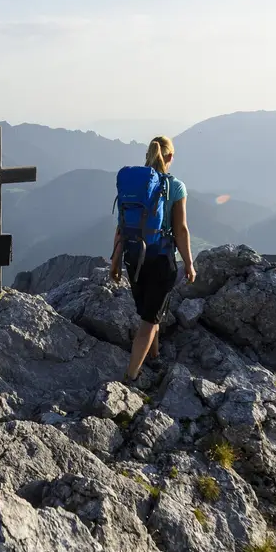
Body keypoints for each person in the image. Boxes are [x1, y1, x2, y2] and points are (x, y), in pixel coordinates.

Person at [110, 135, 195, 383]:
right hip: (160, 258)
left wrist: (115, 262)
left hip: (134, 258)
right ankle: (131, 376)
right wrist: (189, 263)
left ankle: (154, 356)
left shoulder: (134, 187)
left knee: (151, 311)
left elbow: (121, 227)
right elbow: (181, 229)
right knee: (149, 320)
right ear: (170, 157)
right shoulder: (175, 187)